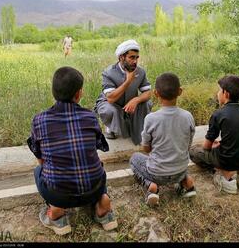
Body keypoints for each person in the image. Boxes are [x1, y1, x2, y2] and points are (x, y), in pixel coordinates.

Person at [27, 66, 118, 235]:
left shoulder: (39, 120)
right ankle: (102, 207)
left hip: (58, 195)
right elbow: (97, 148)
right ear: (78, 94)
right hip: (94, 188)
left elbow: (40, 158)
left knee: (39, 169)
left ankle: (56, 214)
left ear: (53, 92)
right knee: (97, 165)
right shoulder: (90, 117)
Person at [129, 73, 196, 207]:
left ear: (155, 93)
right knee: (178, 158)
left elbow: (146, 149)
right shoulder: (188, 116)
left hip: (156, 174)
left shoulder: (151, 118)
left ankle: (152, 186)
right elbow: (187, 145)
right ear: (180, 92)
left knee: (134, 158)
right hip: (181, 170)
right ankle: (186, 182)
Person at [189, 75, 239, 194]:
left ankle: (226, 178)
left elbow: (206, 147)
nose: (218, 93)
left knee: (194, 151)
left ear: (226, 94)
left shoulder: (219, 114)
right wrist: (221, 144)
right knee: (232, 151)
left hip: (228, 160)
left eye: (220, 90)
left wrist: (213, 147)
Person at [94, 39, 152, 145]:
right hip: (110, 104)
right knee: (110, 110)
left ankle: (138, 131)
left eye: (136, 57)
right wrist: (128, 81)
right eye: (131, 57)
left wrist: (136, 99)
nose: (135, 61)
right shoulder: (108, 73)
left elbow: (148, 93)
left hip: (129, 104)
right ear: (121, 57)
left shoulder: (140, 72)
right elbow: (111, 98)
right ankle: (110, 127)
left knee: (147, 103)